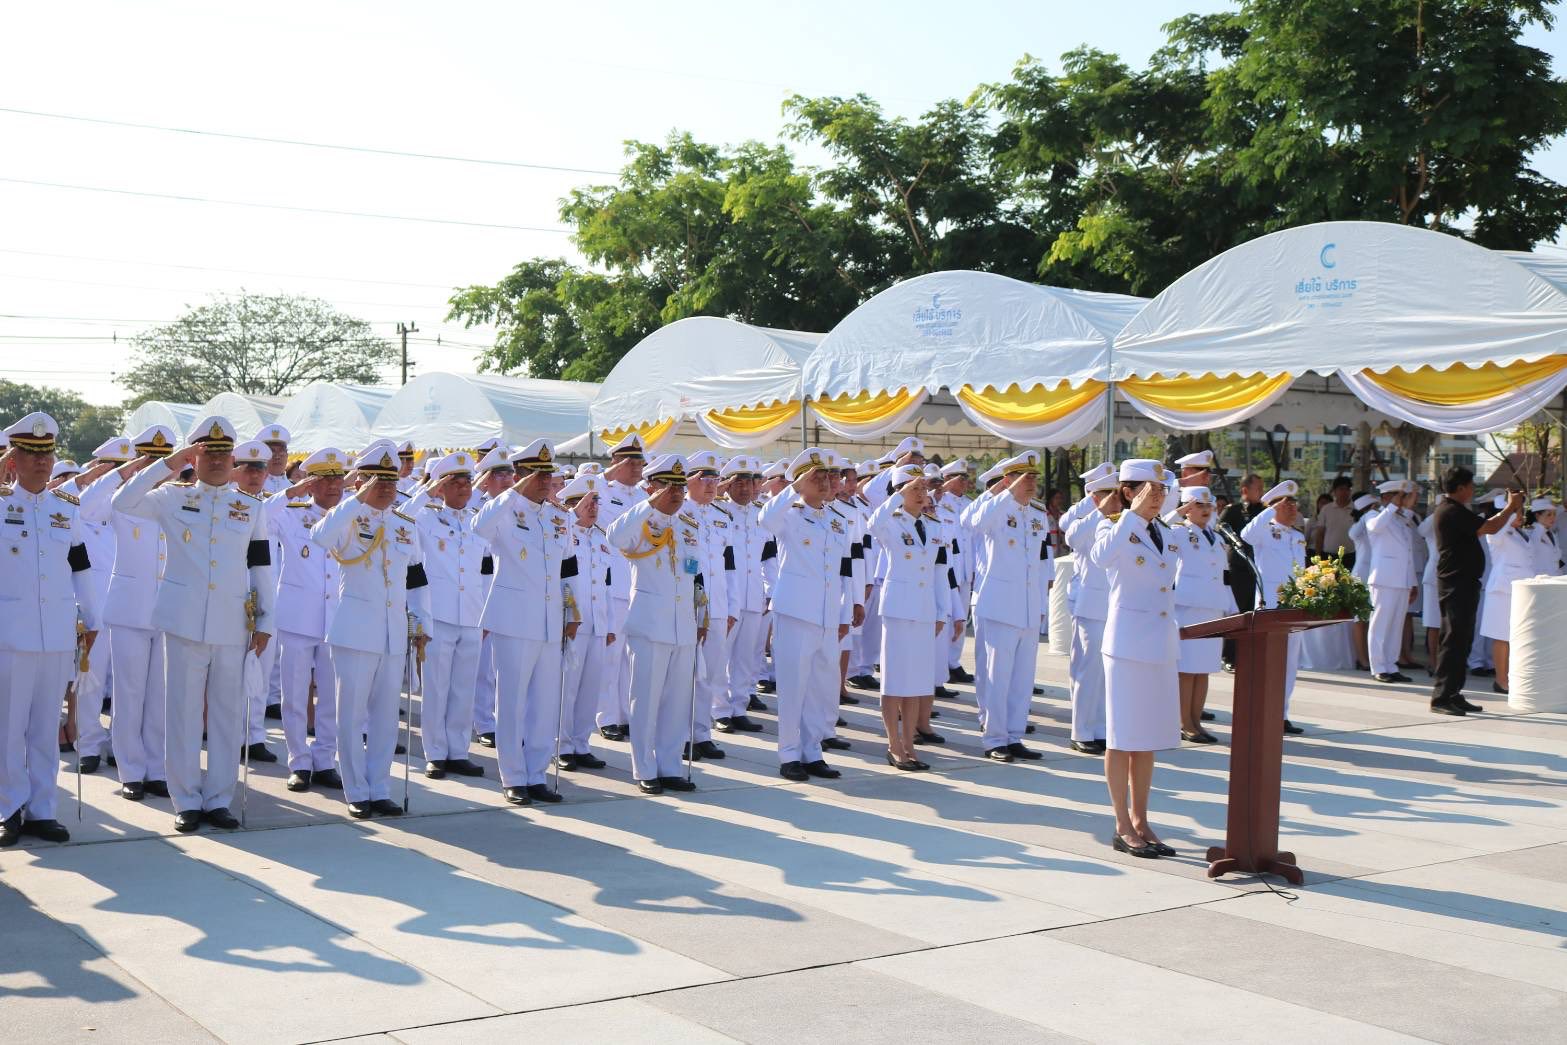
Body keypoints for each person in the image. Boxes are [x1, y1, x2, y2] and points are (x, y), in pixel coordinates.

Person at [112, 415, 274, 834]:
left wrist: (266, 620)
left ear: (234, 459)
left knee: (225, 714)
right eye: (207, 453)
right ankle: (185, 799)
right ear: (194, 456)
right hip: (183, 621)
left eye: (223, 454)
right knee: (181, 713)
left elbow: (260, 566)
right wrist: (167, 464)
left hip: (232, 622)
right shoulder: (169, 496)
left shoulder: (252, 507)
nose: (217, 461)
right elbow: (122, 503)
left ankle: (218, 798)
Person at [0, 413, 103, 846]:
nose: (41, 463)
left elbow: (80, 567)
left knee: (46, 725)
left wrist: (93, 618)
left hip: (57, 632)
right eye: (30, 454)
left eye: (47, 454)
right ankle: (8, 808)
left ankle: (43, 808)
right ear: (14, 459)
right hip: (11, 633)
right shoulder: (2, 506)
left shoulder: (67, 509)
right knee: (8, 729)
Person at [472, 438, 580, 806]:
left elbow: (569, 566)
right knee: (512, 701)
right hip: (514, 621)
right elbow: (478, 527)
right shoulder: (502, 511)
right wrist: (511, 492)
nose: (546, 480)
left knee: (544, 703)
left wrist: (573, 609)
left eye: (548, 473)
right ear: (519, 475)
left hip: (551, 622)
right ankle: (513, 776)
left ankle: (536, 774)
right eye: (538, 473)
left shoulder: (557, 516)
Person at [77, 425, 178, 801]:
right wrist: (124, 471)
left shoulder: (174, 497)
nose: (156, 467)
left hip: (167, 611)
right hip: (129, 609)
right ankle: (131, 771)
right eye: (148, 459)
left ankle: (156, 769)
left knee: (159, 698)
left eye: (162, 460)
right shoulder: (120, 498)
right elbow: (85, 507)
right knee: (129, 695)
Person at [1089, 459, 1180, 859]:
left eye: (1162, 490)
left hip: (1158, 641)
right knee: (1123, 737)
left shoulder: (1167, 533)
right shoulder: (1112, 528)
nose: (1158, 496)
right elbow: (1101, 558)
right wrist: (1130, 516)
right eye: (1149, 489)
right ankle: (1121, 822)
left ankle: (1142, 819)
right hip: (1126, 645)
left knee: (1146, 740)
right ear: (1128, 491)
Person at [606, 455, 708, 794]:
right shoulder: (639, 524)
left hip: (683, 625)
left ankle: (670, 766)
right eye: (668, 486)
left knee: (677, 702)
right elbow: (615, 537)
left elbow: (696, 574)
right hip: (649, 625)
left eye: (680, 486)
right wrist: (649, 504)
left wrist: (701, 615)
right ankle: (644, 768)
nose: (676, 493)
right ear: (651, 487)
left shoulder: (689, 525)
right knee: (645, 700)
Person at [759, 448, 857, 783]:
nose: (828, 482)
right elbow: (765, 520)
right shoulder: (789, 514)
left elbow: (844, 570)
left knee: (822, 686)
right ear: (802, 481)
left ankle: (812, 751)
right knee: (793, 686)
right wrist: (794, 488)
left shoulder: (837, 519)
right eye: (819, 477)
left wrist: (845, 611)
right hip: (796, 613)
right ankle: (789, 754)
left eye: (830, 476)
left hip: (827, 616)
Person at [403, 452, 490, 780]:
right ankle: (435, 753)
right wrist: (426, 491)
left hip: (470, 613)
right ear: (442, 487)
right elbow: (400, 515)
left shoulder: (477, 519)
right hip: (436, 614)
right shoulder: (424, 517)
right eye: (456, 482)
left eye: (468, 481)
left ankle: (458, 751)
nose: (465, 487)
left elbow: (484, 570)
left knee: (463, 688)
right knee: (436, 688)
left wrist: (485, 615)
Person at [266, 447, 347, 793]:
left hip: (338, 618)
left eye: (338, 477)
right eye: (324, 478)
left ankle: (326, 758)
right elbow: (262, 517)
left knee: (331, 696)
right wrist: (292, 491)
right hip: (298, 617)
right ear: (311, 482)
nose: (333, 485)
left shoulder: (351, 515)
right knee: (295, 695)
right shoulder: (291, 513)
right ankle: (299, 761)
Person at [968, 451, 1050, 763]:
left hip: (1028, 607)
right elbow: (975, 522)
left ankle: (1014, 735)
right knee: (996, 676)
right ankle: (994, 738)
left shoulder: (1038, 514)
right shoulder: (996, 509)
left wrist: (1040, 604)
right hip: (1000, 606)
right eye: (1024, 477)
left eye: (1033, 478)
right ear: (1008, 480)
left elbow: (1039, 564)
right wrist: (1004, 494)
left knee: (1022, 677)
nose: (1031, 483)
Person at [866, 465, 949, 770]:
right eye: (914, 488)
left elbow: (941, 572)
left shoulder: (935, 526)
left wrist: (943, 610)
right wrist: (897, 497)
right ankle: (894, 744)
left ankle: (910, 744)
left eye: (923, 489)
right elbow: (873, 523)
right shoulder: (891, 521)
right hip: (899, 610)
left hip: (925, 610)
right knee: (894, 681)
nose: (921, 494)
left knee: (916, 683)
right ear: (899, 492)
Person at [1431, 470, 1521, 715]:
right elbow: (1490, 527)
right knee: (1453, 639)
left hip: (1464, 582)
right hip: (1455, 583)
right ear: (1460, 487)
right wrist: (1511, 507)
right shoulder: (1452, 510)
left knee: (1462, 640)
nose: (1473, 490)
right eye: (1470, 485)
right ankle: (1441, 697)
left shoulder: (1455, 509)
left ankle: (1454, 692)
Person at [1240, 480, 1308, 735]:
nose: (1293, 509)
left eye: (1294, 504)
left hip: (1295, 605)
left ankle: (1282, 713)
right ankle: (1262, 712)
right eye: (1287, 504)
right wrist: (1268, 510)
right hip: (1271, 603)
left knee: (1289, 662)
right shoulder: (1265, 531)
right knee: (1267, 663)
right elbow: (1246, 536)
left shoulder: (1298, 536)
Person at [555, 473, 613, 772]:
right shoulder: (563, 534)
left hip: (598, 623)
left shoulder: (602, 538)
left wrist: (611, 624)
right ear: (571, 506)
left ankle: (581, 743)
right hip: (572, 623)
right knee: (567, 688)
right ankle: (561, 745)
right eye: (585, 503)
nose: (592, 508)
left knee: (591, 688)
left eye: (595, 502)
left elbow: (608, 585)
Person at [231, 439, 283, 764]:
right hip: (232, 598)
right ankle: (233, 737)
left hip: (265, 598)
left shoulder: (269, 506)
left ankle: (254, 735)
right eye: (248, 468)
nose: (255, 475)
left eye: (260, 469)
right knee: (229, 677)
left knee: (260, 672)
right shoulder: (226, 504)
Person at [1062, 464, 1119, 755]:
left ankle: (1100, 729)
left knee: (1108, 674)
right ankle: (1081, 731)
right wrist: (1098, 511)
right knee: (1086, 671)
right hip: (1091, 605)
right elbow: (1070, 538)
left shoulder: (1122, 521)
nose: (1115, 499)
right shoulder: (1085, 522)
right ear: (1094, 497)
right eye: (1107, 493)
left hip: (1116, 606)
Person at [683, 450, 735, 762]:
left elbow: (729, 568)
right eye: (705, 479)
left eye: (715, 479)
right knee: (686, 674)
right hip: (688, 608)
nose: (712, 485)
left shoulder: (721, 516)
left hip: (717, 607)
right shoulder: (678, 514)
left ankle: (702, 733)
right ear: (689, 481)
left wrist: (732, 607)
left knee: (710, 674)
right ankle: (682, 734)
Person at [1170, 487, 1234, 742]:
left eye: (1209, 506)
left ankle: (1196, 721)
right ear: (1186, 508)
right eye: (1200, 505)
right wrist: (1175, 515)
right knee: (1187, 669)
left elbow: (1224, 576)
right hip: (1187, 608)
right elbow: (1158, 533)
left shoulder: (1216, 538)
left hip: (1212, 608)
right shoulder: (1177, 532)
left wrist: (1232, 608)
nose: (1207, 510)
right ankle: (1184, 722)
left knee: (1204, 669)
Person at [595, 434, 646, 742]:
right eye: (631, 462)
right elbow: (583, 493)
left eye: (640, 462)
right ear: (616, 463)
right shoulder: (603, 490)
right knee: (611, 656)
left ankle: (626, 714)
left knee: (632, 656)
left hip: (636, 584)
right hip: (611, 583)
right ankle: (606, 716)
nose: (638, 468)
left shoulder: (641, 495)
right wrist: (608, 474)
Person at [715, 456, 768, 733]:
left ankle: (739, 707)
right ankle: (719, 709)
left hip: (754, 594)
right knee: (721, 654)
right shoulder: (718, 511)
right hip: (727, 595)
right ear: (728, 485)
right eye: (739, 483)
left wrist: (771, 589)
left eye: (749, 482)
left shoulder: (761, 512)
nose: (746, 489)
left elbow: (769, 556)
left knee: (747, 657)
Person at [469, 446, 515, 748]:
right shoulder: (474, 505)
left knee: (507, 664)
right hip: (480, 589)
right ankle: (483, 722)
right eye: (499, 474)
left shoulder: (518, 505)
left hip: (510, 589)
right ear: (485, 479)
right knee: (483, 665)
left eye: (509, 473)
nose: (507, 480)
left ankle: (503, 721)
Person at [1481, 492, 1536, 695]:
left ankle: (1512, 678)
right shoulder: (1497, 532)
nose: (1521, 514)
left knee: (1515, 636)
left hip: (1520, 591)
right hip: (1502, 590)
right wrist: (1510, 509)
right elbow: (1495, 533)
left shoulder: (1520, 534)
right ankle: (1501, 680)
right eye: (1517, 510)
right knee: (1501, 636)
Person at [1364, 480, 1419, 684]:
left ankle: (1391, 665)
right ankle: (1378, 666)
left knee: (1395, 626)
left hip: (1401, 580)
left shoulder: (1401, 519)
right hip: (1384, 579)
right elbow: (1376, 527)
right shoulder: (1373, 515)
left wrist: (1412, 582)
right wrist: (1393, 505)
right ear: (1387, 497)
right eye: (1398, 496)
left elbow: (1409, 554)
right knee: (1380, 624)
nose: (1402, 500)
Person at [1219, 473, 1266, 668]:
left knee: (1254, 613)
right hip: (1237, 568)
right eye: (1259, 489)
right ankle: (1230, 657)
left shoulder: (1264, 512)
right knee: (1236, 614)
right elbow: (1220, 529)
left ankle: (1249, 655)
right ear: (1245, 490)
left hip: (1257, 569)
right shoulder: (1233, 510)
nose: (1262, 493)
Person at [1311, 477, 1357, 563]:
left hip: (1350, 556)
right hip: (1328, 556)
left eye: (1347, 489)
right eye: (1341, 489)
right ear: (1335, 492)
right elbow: (1320, 534)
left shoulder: (1357, 509)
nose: (1344, 492)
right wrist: (1318, 556)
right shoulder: (1326, 509)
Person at [1528, 498, 1563, 576]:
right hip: (1540, 579)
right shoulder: (1530, 533)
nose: (1553, 518)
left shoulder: (1551, 534)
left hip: (1555, 577)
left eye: (1554, 514)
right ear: (1537, 516)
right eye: (1549, 514)